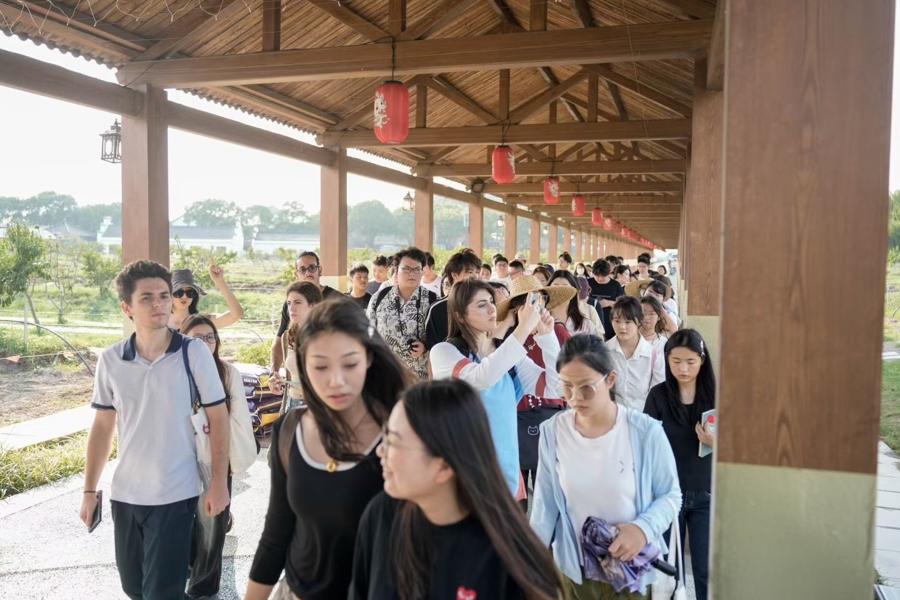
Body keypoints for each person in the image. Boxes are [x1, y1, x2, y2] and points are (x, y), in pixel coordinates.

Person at [81, 260, 230, 599]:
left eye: (164, 296)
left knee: (162, 592)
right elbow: (103, 426)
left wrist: (219, 483)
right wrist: (89, 491)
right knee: (134, 588)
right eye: (146, 298)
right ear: (127, 307)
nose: (159, 304)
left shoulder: (193, 353)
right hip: (126, 495)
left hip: (176, 493)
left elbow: (218, 418)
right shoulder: (111, 360)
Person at [246, 300, 410, 600]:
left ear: (369, 358)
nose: (336, 381)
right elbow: (276, 533)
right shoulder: (290, 429)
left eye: (350, 364)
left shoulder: (401, 431)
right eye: (320, 366)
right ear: (303, 365)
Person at [349, 379, 565, 600]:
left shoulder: (512, 561)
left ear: (443, 466)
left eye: (394, 442)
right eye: (385, 437)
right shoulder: (381, 516)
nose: (381, 451)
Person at [530, 335, 681, 598]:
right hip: (576, 573)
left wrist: (642, 529)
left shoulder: (645, 432)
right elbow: (545, 506)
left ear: (610, 379)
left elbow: (670, 495)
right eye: (566, 387)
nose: (575, 398)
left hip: (632, 571)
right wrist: (528, 560)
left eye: (586, 388)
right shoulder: (553, 432)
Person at [430, 279, 560, 496]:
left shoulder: (509, 356)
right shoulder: (444, 352)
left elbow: (554, 388)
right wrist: (523, 327)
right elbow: (481, 378)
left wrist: (547, 337)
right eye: (482, 305)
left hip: (506, 477)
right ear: (460, 316)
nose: (492, 309)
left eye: (492, 301)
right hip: (462, 479)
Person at [182, 314, 257, 599]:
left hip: (215, 459)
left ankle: (203, 587)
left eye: (210, 337)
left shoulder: (227, 372)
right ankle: (189, 569)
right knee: (185, 523)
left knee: (211, 527)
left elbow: (238, 421)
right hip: (181, 459)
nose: (205, 342)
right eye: (197, 337)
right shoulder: (175, 371)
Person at [644, 329, 715, 600]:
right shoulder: (658, 396)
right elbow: (645, 444)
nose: (683, 369)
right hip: (667, 495)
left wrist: (714, 442)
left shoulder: (715, 396)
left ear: (702, 361)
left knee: (705, 570)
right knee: (669, 570)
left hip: (705, 494)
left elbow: (738, 446)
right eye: (676, 361)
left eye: (690, 362)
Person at [492, 276, 573, 508]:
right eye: (528, 303)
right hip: (507, 425)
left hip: (548, 416)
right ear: (517, 308)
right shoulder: (503, 339)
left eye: (539, 300)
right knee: (512, 501)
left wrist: (546, 337)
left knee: (544, 496)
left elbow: (558, 385)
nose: (536, 308)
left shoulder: (556, 332)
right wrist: (512, 325)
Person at [368, 247, 438, 380]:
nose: (412, 273)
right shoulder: (379, 298)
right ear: (396, 270)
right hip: (385, 375)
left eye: (417, 269)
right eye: (406, 269)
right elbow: (368, 333)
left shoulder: (432, 299)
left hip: (420, 378)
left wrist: (425, 346)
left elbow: (440, 339)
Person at [271, 251, 342, 373]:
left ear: (320, 270)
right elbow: (280, 340)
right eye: (302, 269)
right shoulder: (290, 304)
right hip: (296, 380)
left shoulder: (338, 300)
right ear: (296, 274)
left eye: (312, 268)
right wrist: (274, 372)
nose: (308, 273)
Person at [269, 282, 323, 410]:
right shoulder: (288, 336)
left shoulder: (327, 337)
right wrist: (275, 379)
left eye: (298, 302)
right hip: (292, 404)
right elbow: (291, 375)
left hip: (318, 407)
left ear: (313, 305)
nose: (291, 308)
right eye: (289, 303)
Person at [606, 296, 665, 412]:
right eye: (617, 321)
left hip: (643, 416)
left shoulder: (653, 354)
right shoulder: (605, 351)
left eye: (628, 322)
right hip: (612, 416)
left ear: (639, 321)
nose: (622, 327)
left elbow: (657, 393)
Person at [423, 249, 482, 350]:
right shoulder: (437, 309)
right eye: (470, 272)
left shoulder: (483, 305)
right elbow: (433, 348)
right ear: (454, 275)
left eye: (477, 272)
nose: (475, 277)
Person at [168, 264, 244, 332]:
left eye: (190, 292)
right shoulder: (162, 322)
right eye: (179, 293)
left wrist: (220, 281)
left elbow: (237, 315)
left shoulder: (201, 321)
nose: (184, 296)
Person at [548, 270, 603, 336]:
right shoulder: (540, 319)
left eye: (565, 287)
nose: (560, 291)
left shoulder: (585, 324)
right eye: (555, 286)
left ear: (574, 292)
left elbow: (598, 340)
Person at [587, 259, 624, 341]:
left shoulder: (615, 285)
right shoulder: (587, 283)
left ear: (608, 273)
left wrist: (609, 303)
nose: (600, 279)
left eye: (603, 276)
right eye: (597, 275)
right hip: (591, 323)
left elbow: (622, 306)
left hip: (610, 325)